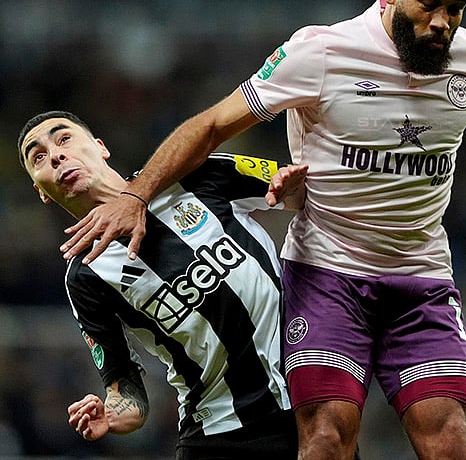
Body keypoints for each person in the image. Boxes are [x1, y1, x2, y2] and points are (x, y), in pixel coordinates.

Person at [58, 0, 466, 460]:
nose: (441, 22)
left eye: (455, 9)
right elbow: (211, 126)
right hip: (326, 274)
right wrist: (138, 194)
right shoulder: (321, 53)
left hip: (421, 276)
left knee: (449, 437)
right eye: (429, 2)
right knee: (329, 433)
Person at [18, 110, 308, 459]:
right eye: (39, 157)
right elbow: (125, 388)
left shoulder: (192, 173)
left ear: (100, 147)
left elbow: (301, 194)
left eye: (64, 139)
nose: (56, 155)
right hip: (220, 437)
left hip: (311, 403)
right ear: (42, 191)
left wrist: (292, 185)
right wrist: (112, 414)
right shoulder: (87, 275)